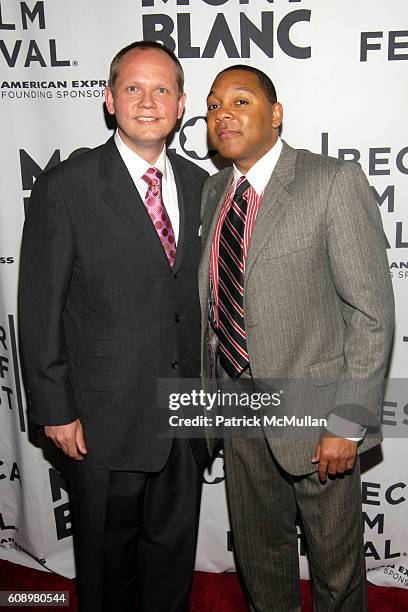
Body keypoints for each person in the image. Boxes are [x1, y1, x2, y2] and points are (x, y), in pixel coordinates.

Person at [18, 41, 209, 612]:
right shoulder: (67, 186)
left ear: (180, 105)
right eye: (132, 87)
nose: (147, 101)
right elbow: (38, 307)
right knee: (107, 569)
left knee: (172, 565)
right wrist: (54, 407)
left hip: (186, 420)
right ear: (108, 99)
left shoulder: (204, 187)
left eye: (161, 90)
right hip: (102, 420)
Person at [199, 64, 394, 611]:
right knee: (260, 558)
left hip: (318, 413)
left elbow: (372, 314)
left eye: (240, 101)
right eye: (214, 105)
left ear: (276, 113)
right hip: (236, 406)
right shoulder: (214, 191)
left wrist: (347, 422)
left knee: (336, 569)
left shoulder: (332, 181)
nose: (223, 114)